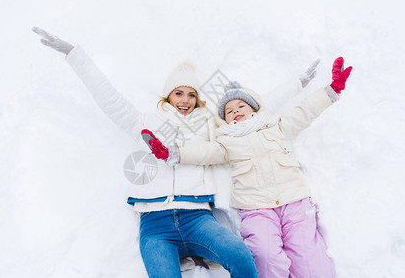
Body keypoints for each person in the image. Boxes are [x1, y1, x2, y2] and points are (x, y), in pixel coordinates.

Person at [32, 26, 320, 277]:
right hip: (155, 225)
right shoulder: (145, 123)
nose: (185, 100)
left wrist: (297, 84)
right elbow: (108, 97)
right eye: (179, 93)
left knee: (243, 258)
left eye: (192, 94)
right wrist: (74, 55)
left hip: (197, 218)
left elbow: (257, 107)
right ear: (168, 95)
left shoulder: (211, 125)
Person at [147, 57, 352, 277]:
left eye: (241, 105)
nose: (235, 111)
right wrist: (176, 152)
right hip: (257, 209)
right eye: (229, 111)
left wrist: (331, 90)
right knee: (264, 255)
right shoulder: (226, 141)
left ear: (253, 108)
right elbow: (205, 152)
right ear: (224, 120)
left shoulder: (277, 126)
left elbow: (304, 111)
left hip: (294, 201)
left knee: (308, 256)